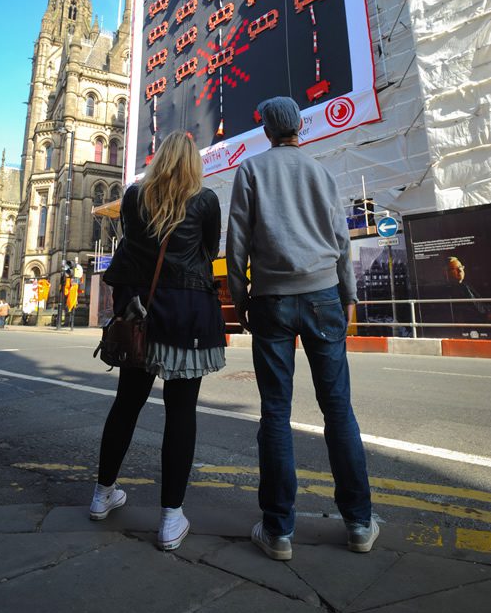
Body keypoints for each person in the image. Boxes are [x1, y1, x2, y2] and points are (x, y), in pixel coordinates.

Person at [226, 96, 377, 561]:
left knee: (276, 411)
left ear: (268, 131)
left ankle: (278, 531)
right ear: (299, 129)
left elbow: (237, 242)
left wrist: (241, 296)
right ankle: (357, 523)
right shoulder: (320, 172)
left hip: (271, 299)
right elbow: (340, 239)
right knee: (338, 409)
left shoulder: (250, 171)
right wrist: (348, 296)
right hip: (323, 296)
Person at [92, 130, 226, 551]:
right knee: (181, 414)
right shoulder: (205, 200)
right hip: (188, 318)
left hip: (141, 315)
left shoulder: (134, 197)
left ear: (159, 159)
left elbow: (132, 249)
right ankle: (171, 518)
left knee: (126, 406)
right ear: (193, 163)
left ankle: (102, 495)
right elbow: (209, 250)